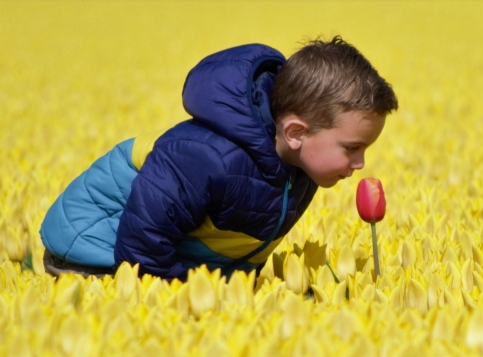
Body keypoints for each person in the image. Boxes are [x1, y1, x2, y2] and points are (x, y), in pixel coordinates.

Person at [39, 37, 397, 280]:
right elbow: (143, 241)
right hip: (91, 251)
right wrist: (180, 296)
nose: (361, 163)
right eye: (352, 148)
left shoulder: (300, 165)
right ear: (296, 133)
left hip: (157, 254)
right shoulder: (206, 157)